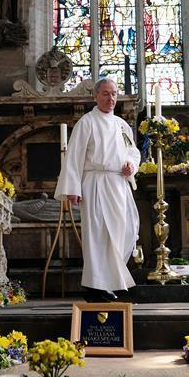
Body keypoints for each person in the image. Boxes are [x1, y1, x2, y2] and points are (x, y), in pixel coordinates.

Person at [55, 78, 140, 302]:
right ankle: (95, 286)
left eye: (114, 94)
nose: (110, 98)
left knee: (125, 231)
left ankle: (110, 282)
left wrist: (131, 164)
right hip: (95, 183)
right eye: (105, 93)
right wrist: (73, 188)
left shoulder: (122, 125)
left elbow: (133, 151)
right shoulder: (87, 122)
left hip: (118, 184)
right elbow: (74, 156)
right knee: (98, 234)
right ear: (95, 96)